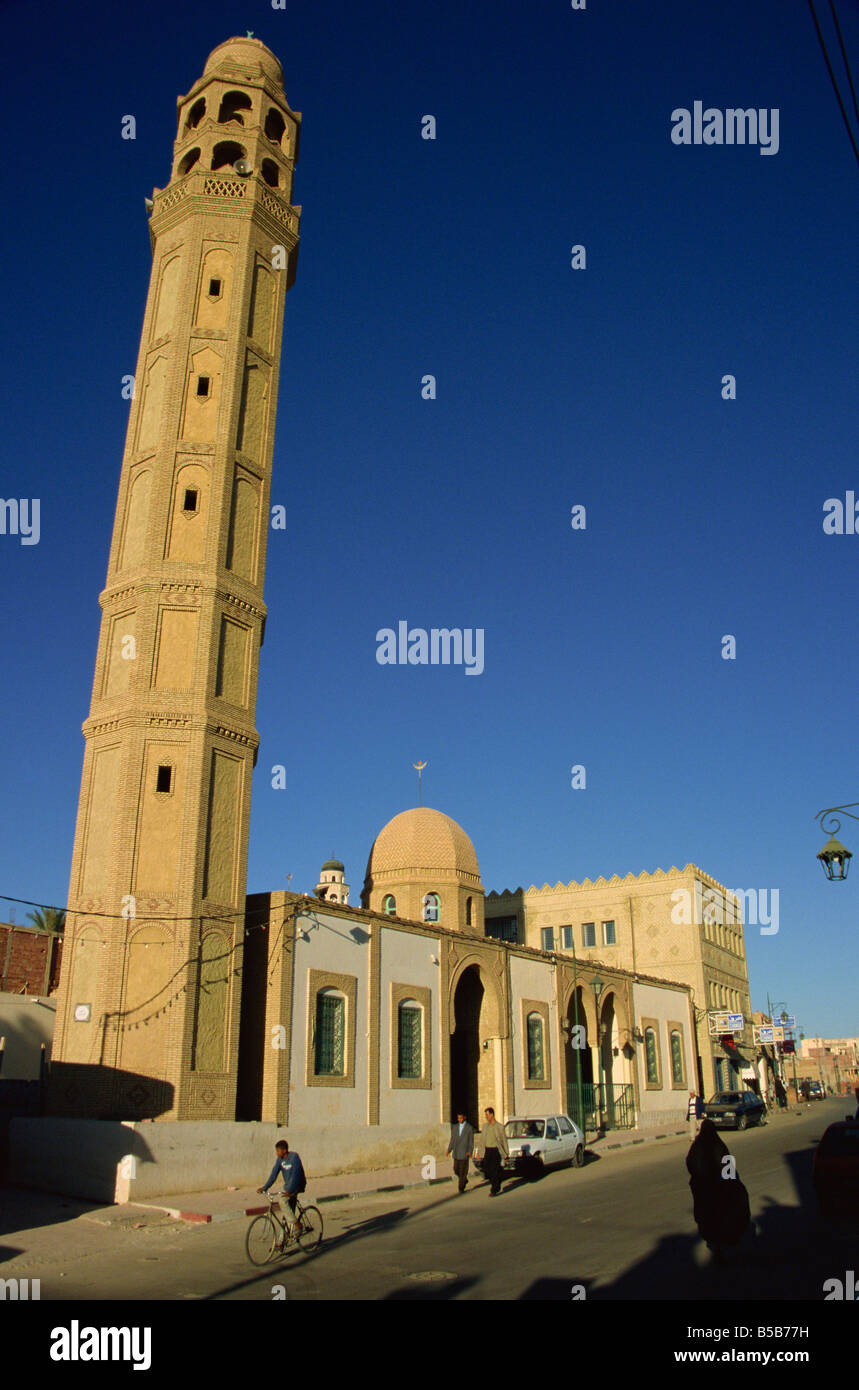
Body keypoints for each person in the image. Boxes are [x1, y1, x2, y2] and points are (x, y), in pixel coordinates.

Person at [686, 1119, 750, 1261]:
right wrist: (731, 1182)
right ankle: (724, 1242)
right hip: (718, 1189)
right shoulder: (718, 1145)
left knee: (708, 1219)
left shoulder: (696, 1146)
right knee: (721, 1216)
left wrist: (698, 1176)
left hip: (703, 1191)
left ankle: (716, 1245)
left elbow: (690, 1163)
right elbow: (728, 1167)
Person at [258, 1139, 307, 1242]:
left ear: (284, 1150)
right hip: (288, 1188)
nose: (276, 1153)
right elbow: (274, 1174)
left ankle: (297, 1224)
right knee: (287, 1214)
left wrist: (290, 1190)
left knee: (282, 1201)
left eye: (278, 1151)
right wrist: (265, 1187)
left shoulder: (294, 1157)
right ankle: (281, 1241)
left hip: (297, 1185)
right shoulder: (280, 1160)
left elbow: (296, 1175)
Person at [475, 1106, 509, 1196]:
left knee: (494, 1170)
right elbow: (482, 1140)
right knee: (487, 1170)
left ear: (492, 1115)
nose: (486, 1117)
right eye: (485, 1115)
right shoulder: (485, 1126)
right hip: (487, 1150)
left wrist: (506, 1154)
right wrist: (479, 1152)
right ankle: (498, 1179)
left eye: (487, 1115)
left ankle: (494, 1189)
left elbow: (504, 1141)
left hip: (495, 1151)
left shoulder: (499, 1127)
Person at [446, 1110, 475, 1194]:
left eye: (461, 1118)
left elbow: (471, 1141)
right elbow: (453, 1139)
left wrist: (470, 1151)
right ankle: (464, 1179)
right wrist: (449, 1149)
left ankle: (461, 1187)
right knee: (456, 1169)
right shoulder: (455, 1127)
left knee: (463, 1171)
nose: (459, 1119)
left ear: (464, 1118)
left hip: (465, 1153)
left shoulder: (469, 1128)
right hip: (456, 1152)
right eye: (458, 1118)